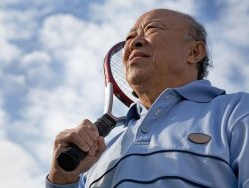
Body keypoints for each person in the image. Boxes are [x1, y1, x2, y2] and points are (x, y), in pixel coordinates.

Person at [46, 8, 249, 188]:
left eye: (152, 29)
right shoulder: (94, 156)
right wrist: (62, 178)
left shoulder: (237, 110)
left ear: (194, 52)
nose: (134, 42)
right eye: (129, 38)